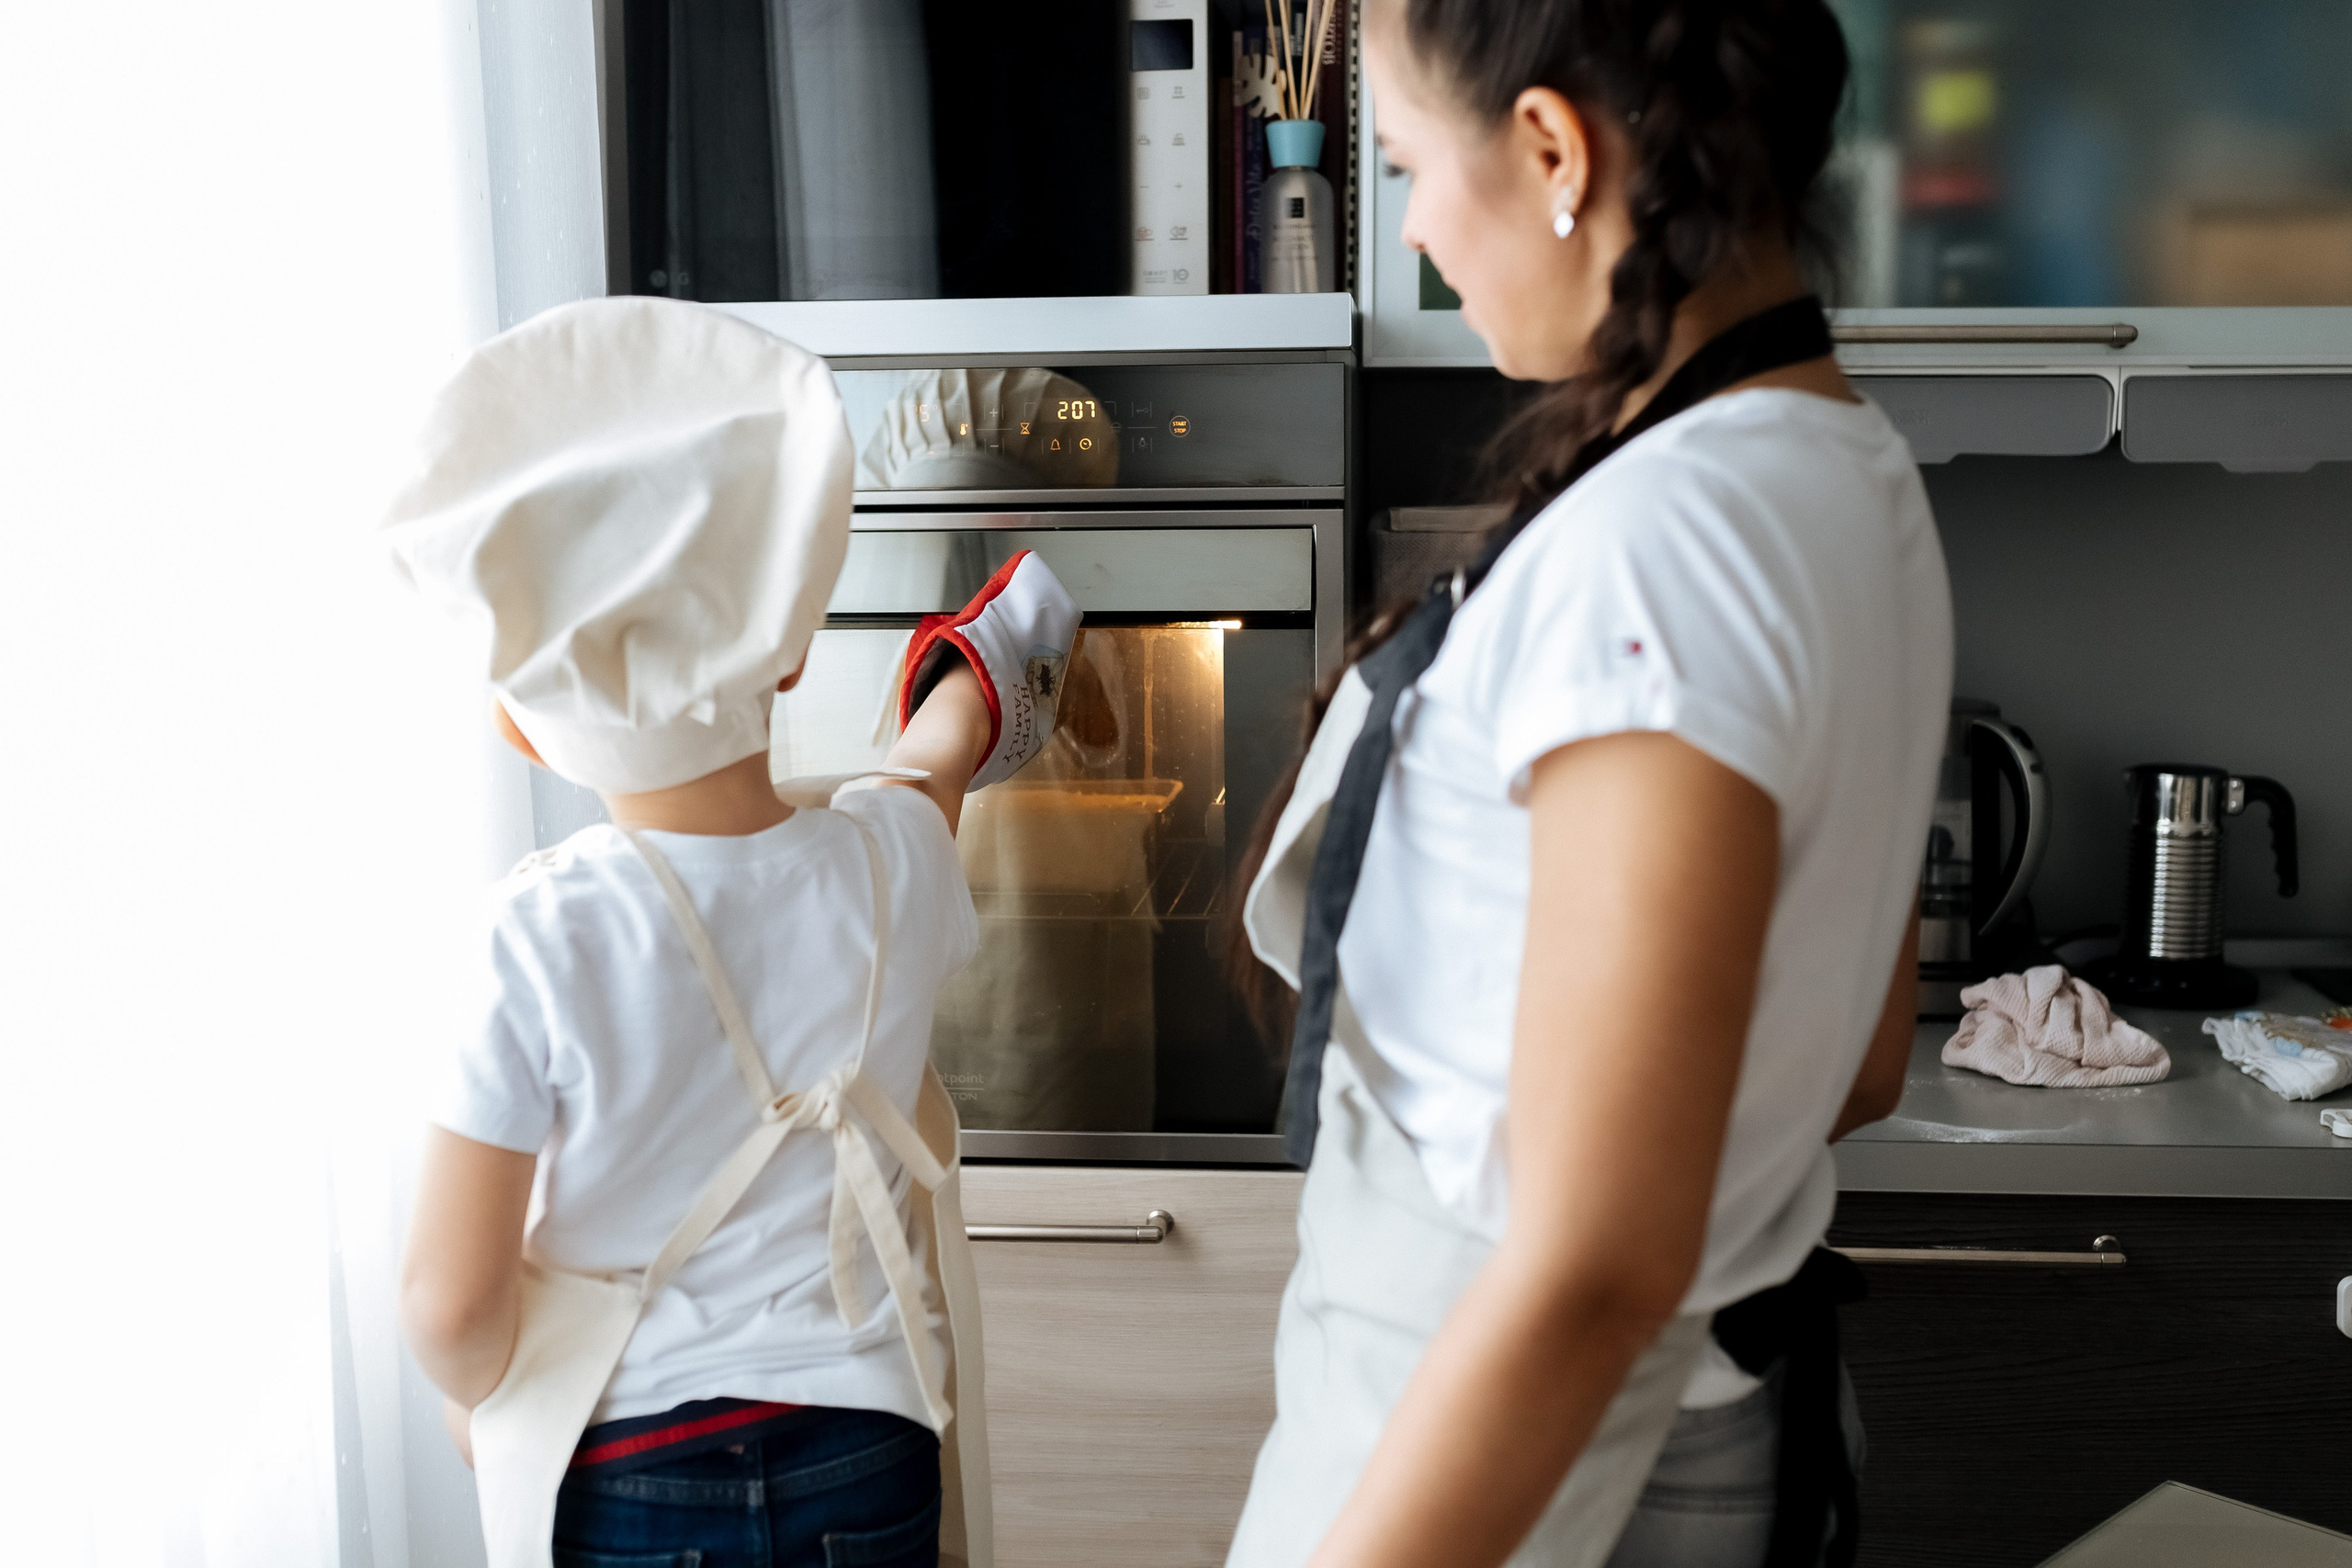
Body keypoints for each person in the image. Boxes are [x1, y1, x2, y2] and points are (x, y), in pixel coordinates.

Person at [1224, 3, 1952, 1567]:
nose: (1415, 231)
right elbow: (1865, 1057)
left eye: (1412, 164)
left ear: (1555, 150)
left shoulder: (1659, 552)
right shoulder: (1843, 468)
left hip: (1530, 1463)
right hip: (1689, 1422)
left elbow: (1597, 1267)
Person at [385, 296, 1079, 1568]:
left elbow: (448, 1300)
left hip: (630, 1471)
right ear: (796, 654)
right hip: (868, 1447)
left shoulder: (539, 935)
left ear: (521, 722)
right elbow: (927, 770)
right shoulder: (887, 866)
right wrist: (978, 681)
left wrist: (478, 1396)